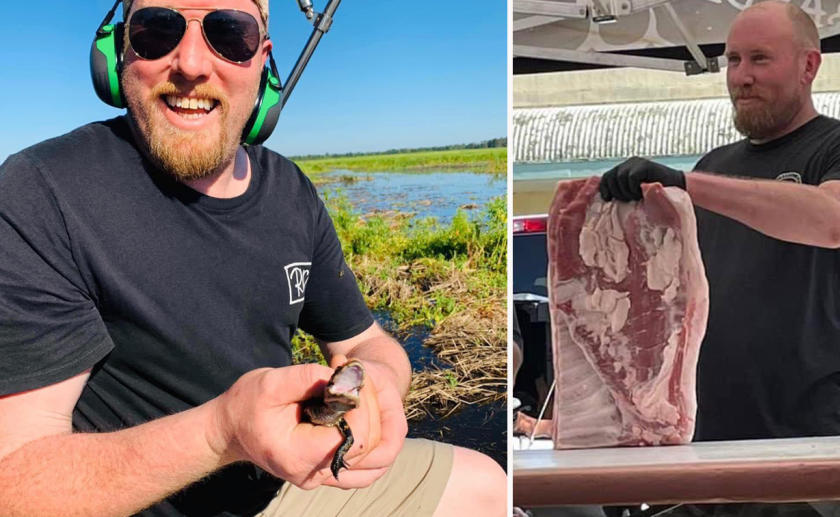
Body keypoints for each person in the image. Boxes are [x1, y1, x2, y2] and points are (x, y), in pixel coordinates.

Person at [0, 1, 506, 516]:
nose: (193, 63)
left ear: (262, 60)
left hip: (284, 488)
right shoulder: (43, 192)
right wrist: (223, 432)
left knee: (487, 485)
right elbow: (15, 486)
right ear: (118, 50)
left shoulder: (289, 190)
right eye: (157, 30)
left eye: (229, 34)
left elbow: (366, 341)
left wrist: (376, 387)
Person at [599, 2, 840, 516]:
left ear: (808, 66)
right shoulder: (715, 165)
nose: (742, 77)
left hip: (811, 444)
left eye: (760, 59)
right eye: (732, 60)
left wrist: (689, 185)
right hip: (707, 444)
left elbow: (834, 220)